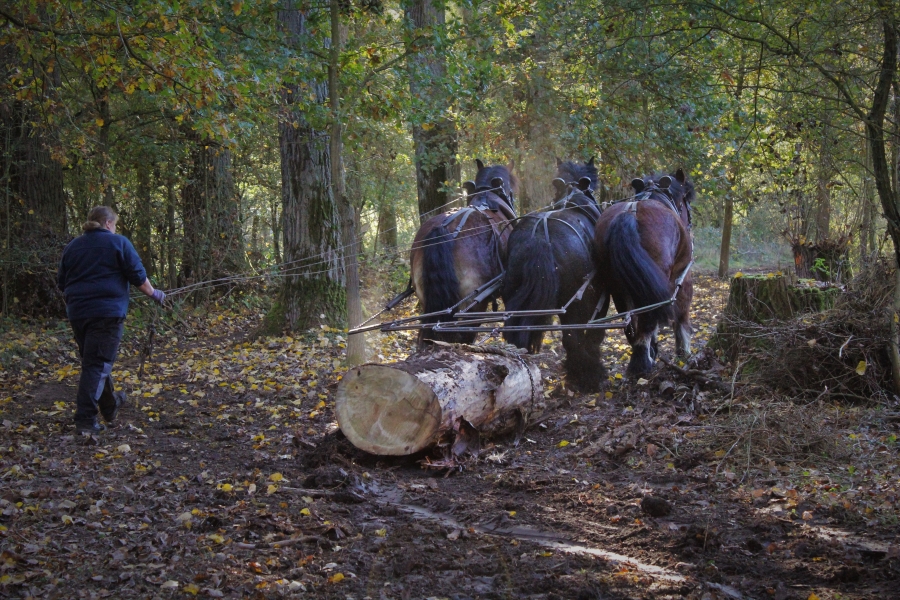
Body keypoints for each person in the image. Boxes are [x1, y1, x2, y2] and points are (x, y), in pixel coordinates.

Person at [57, 206, 167, 434]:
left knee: (94, 362)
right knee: (96, 365)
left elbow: (61, 282)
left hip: (78, 312)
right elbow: (137, 274)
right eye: (114, 224)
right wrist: (154, 294)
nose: (115, 228)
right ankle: (85, 420)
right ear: (108, 223)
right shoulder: (118, 242)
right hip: (107, 313)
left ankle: (110, 406)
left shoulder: (73, 247)